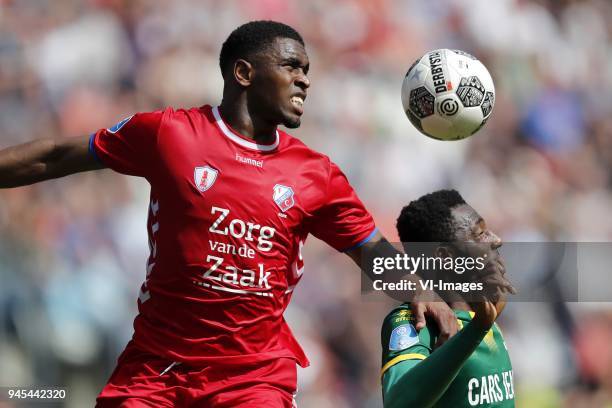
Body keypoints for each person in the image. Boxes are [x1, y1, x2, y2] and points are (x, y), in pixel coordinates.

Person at [0, 21, 458, 407]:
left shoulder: (315, 175)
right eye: (291, 66)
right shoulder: (170, 135)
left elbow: (370, 250)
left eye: (308, 71)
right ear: (243, 72)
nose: (305, 81)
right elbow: (57, 156)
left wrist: (422, 293)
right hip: (156, 368)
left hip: (252, 379)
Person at [381, 190, 516, 407]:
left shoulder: (483, 314)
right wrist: (476, 329)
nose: (496, 240)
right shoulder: (417, 320)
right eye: (479, 234)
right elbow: (398, 402)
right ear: (445, 257)